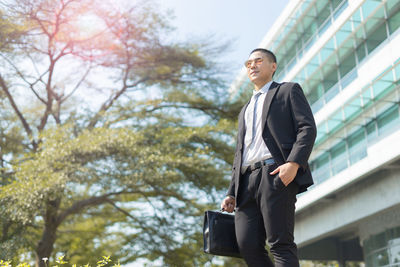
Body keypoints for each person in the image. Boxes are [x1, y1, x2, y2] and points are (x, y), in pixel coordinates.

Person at [220, 48, 317, 267]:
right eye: (248, 64)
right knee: (247, 245)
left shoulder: (288, 91)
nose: (252, 66)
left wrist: (293, 163)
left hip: (275, 174)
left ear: (273, 66)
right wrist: (231, 191)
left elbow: (307, 128)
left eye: (258, 61)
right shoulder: (245, 109)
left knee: (280, 244)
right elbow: (240, 153)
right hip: (245, 183)